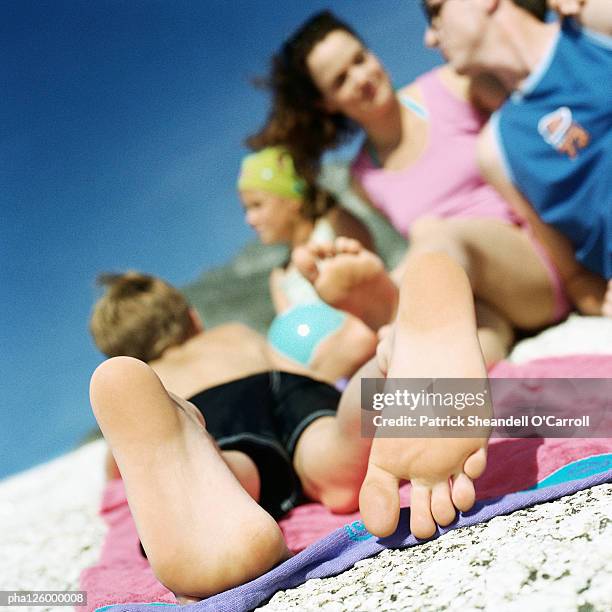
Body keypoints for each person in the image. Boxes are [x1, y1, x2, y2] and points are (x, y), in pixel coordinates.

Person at [88, 262, 490, 597]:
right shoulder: (234, 336)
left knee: (231, 469)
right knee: (329, 455)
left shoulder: (151, 383)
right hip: (281, 387)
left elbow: (125, 465)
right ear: (193, 318)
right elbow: (305, 375)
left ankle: (209, 473)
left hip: (207, 414)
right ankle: (385, 368)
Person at [249, 9, 607, 366]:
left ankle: (390, 304)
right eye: (341, 80)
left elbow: (540, 128)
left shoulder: (454, 87)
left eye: (360, 59)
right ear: (325, 103)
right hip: (472, 293)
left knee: (431, 233)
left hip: (536, 264)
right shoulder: (363, 177)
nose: (361, 77)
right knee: (452, 359)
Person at [421, 0, 611, 312]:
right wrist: (603, 305)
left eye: (434, 13)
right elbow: (577, 278)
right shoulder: (496, 150)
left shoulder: (593, 26)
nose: (429, 38)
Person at [237, 146, 377, 382]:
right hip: (338, 382)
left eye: (257, 205)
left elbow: (371, 293)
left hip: (376, 359)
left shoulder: (335, 226)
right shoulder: (279, 278)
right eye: (246, 209)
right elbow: (291, 345)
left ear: (292, 201)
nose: (249, 219)